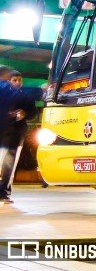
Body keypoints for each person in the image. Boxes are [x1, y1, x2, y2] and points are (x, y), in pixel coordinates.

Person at [0, 69, 36, 203]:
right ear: (8, 81)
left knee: (10, 166)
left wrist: (25, 113)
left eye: (19, 80)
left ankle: (4, 192)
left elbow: (34, 114)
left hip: (16, 135)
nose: (17, 82)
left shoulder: (25, 97)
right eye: (14, 80)